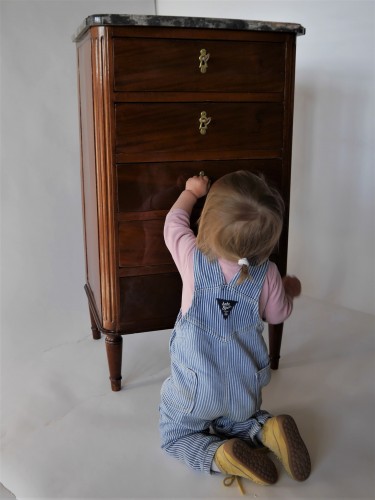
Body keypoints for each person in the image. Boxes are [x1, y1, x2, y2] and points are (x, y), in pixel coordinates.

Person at [159, 170, 311, 487]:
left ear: (208, 223)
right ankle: (266, 430)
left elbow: (173, 224)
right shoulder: (267, 274)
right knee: (237, 419)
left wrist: (191, 190)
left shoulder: (192, 256)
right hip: (243, 389)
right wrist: (287, 290)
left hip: (195, 389)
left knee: (175, 434)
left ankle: (220, 456)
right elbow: (278, 313)